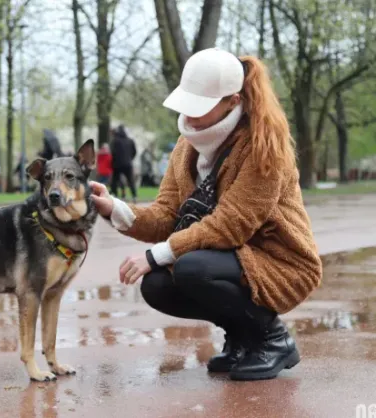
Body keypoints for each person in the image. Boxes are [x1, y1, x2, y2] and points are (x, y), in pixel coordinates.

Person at [90, 48, 322, 381]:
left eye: (201, 105)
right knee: (156, 284)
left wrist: (156, 254)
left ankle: (273, 339)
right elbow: (168, 213)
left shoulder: (263, 146)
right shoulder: (187, 145)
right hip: (228, 257)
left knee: (191, 269)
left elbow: (231, 224)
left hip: (280, 262)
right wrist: (117, 209)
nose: (189, 115)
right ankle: (241, 336)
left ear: (233, 100)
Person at [110, 124, 137, 202]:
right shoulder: (130, 140)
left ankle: (115, 195)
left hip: (117, 164)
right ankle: (134, 195)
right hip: (128, 163)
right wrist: (130, 158)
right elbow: (134, 152)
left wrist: (114, 160)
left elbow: (112, 152)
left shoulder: (115, 140)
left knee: (115, 180)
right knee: (130, 180)